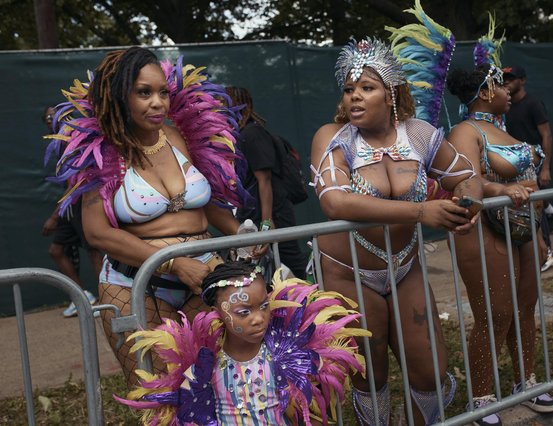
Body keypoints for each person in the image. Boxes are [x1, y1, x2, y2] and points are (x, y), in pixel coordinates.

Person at [45, 47, 256, 387]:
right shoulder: (98, 151)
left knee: (225, 385)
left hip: (205, 274)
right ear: (118, 96)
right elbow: (98, 233)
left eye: (163, 93)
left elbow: (203, 203)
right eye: (144, 93)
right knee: (164, 394)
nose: (158, 103)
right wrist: (173, 263)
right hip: (136, 285)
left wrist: (247, 236)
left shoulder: (176, 135)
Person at [310, 38, 482, 425]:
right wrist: (422, 211)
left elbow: (466, 177)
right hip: (347, 268)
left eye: (367, 88)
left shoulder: (418, 134)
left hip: (405, 265)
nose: (355, 97)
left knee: (431, 370)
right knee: (371, 375)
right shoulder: (333, 137)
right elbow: (335, 202)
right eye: (349, 89)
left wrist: (468, 204)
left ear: (391, 94)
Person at [115, 261, 369, 425]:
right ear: (217, 311)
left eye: (264, 307)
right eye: (243, 312)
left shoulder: (283, 353)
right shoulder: (205, 366)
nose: (258, 319)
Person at [447, 64, 553, 426]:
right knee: (494, 314)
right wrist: (501, 190)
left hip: (524, 229)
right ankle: (481, 397)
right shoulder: (465, 131)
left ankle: (524, 383)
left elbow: (527, 186)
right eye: (501, 84)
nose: (509, 90)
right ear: (483, 91)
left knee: (525, 306)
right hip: (483, 229)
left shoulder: (503, 129)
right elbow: (468, 179)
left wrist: (540, 235)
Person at [225, 87, 308, 279]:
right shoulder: (241, 134)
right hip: (259, 214)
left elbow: (265, 180)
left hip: (274, 213)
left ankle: (309, 302)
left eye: (228, 106)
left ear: (242, 108)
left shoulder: (253, 133)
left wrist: (266, 222)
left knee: (289, 261)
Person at [41, 106, 103, 317]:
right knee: (56, 251)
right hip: (68, 208)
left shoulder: (76, 137)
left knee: (94, 251)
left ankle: (108, 300)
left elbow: (74, 183)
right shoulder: (58, 142)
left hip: (80, 204)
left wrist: (53, 217)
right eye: (48, 118)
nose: (52, 119)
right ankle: (83, 297)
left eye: (56, 115)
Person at [503, 65, 553, 272]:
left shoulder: (533, 103)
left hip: (536, 165)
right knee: (534, 207)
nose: (507, 81)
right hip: (517, 167)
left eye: (512, 77)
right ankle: (551, 210)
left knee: (537, 209)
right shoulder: (505, 107)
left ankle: (547, 252)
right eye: (505, 78)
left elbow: (547, 135)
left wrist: (546, 168)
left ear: (522, 80)